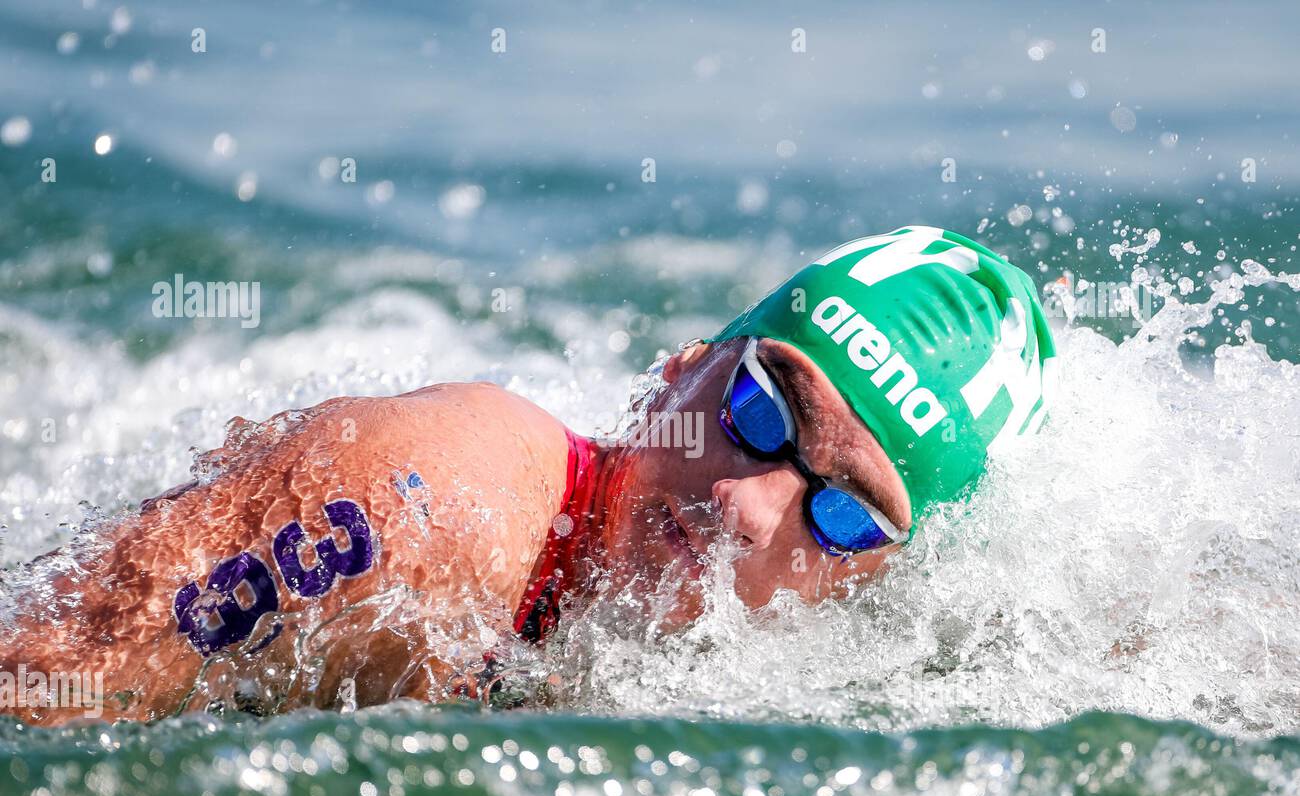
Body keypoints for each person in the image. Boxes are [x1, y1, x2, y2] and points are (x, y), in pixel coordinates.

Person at [0, 225, 1057, 724]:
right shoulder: (419, 505)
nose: (744, 504)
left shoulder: (845, 708)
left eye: (839, 513)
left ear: (877, 579)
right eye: (757, 409)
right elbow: (32, 696)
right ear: (680, 369)